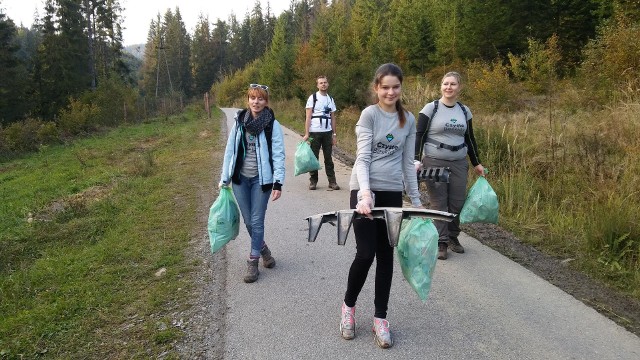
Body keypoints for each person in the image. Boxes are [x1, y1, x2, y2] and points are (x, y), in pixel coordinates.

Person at [340, 63, 423, 349]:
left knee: (386, 256)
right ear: (376, 88)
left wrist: (418, 201)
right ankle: (348, 308)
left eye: (395, 87)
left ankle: (380, 318)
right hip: (364, 190)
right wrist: (365, 194)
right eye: (385, 87)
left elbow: (407, 164)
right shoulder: (369, 115)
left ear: (401, 88)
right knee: (365, 253)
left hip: (391, 193)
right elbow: (362, 159)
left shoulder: (408, 120)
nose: (390, 92)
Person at [415, 71, 484, 260]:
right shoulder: (431, 108)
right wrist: (415, 159)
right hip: (434, 161)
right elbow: (418, 135)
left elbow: (470, 138)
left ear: (459, 87)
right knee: (439, 202)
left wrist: (476, 163)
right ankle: (441, 242)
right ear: (441, 86)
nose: (449, 87)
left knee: (457, 202)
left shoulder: (464, 111)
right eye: (446, 83)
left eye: (453, 84)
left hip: (459, 162)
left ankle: (453, 237)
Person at [220, 83, 286, 283]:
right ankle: (264, 249)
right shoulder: (240, 121)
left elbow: (278, 154)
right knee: (248, 222)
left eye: (260, 98)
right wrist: (224, 178)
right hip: (240, 180)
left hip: (261, 181)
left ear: (266, 102)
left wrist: (278, 183)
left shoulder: (272, 124)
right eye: (252, 98)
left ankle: (253, 261)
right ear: (248, 99)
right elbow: (230, 150)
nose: (256, 102)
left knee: (256, 221)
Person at [302, 75, 340, 191]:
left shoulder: (330, 99)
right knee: (314, 158)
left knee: (328, 158)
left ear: (327, 84)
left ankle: (332, 182)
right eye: (321, 83)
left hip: (327, 133)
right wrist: (307, 134)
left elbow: (333, 118)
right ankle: (313, 181)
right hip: (315, 132)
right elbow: (308, 117)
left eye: (325, 82)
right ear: (317, 85)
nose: (323, 84)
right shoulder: (313, 98)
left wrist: (334, 135)